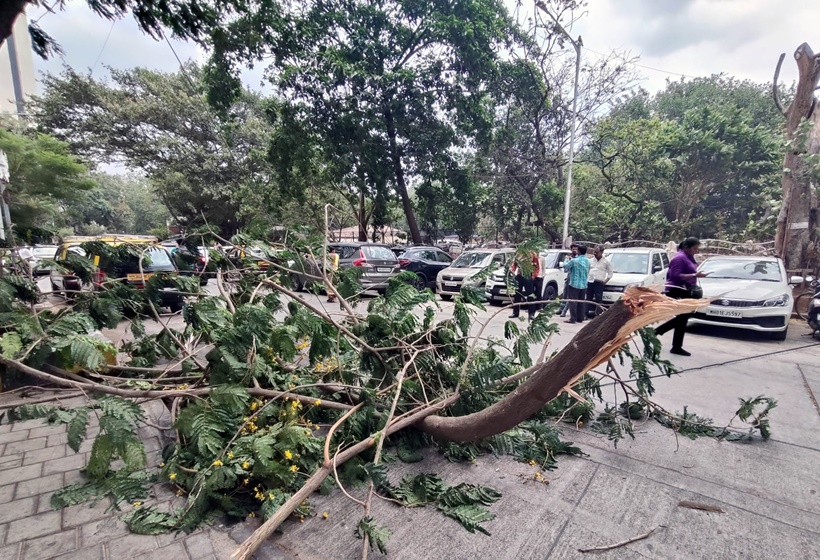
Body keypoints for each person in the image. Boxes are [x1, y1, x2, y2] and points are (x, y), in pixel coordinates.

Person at [654, 237, 708, 356]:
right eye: (695, 248)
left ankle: (676, 345)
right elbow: (675, 276)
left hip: (686, 290)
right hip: (677, 290)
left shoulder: (688, 257)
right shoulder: (679, 258)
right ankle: (658, 332)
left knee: (684, 318)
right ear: (686, 247)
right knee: (684, 317)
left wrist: (696, 276)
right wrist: (694, 274)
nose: (697, 251)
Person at [509, 249, 541, 320]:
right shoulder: (519, 254)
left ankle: (531, 314)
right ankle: (515, 313)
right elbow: (514, 264)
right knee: (517, 294)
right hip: (519, 275)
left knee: (530, 295)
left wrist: (533, 276)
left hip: (528, 276)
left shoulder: (533, 254)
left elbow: (537, 267)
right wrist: (512, 271)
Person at [563, 245, 590, 324]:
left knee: (573, 301)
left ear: (578, 251)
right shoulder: (588, 261)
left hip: (574, 284)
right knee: (581, 301)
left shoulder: (575, 260)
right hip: (584, 284)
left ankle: (573, 318)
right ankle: (580, 318)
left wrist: (566, 259)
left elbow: (565, 266)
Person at [586, 245, 613, 317]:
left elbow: (610, 273)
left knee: (598, 299)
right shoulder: (590, 260)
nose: (595, 253)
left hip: (599, 282)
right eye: (594, 252)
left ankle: (598, 314)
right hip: (590, 281)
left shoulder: (606, 262)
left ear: (601, 252)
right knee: (588, 298)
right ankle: (586, 313)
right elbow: (587, 270)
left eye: (597, 252)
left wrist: (605, 281)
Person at [559, 244, 578, 317]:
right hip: (569, 277)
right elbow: (565, 269)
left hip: (575, 279)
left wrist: (568, 261)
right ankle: (562, 309)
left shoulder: (578, 258)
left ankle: (564, 311)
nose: (574, 250)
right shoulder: (568, 257)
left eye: (576, 249)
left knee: (571, 296)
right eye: (573, 249)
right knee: (565, 293)